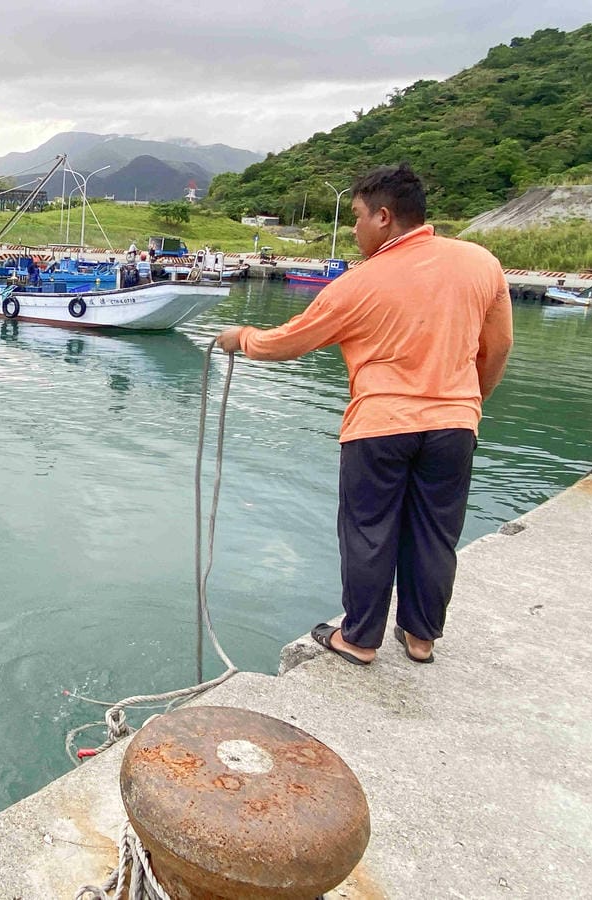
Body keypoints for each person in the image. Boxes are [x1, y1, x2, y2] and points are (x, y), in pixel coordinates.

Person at [215, 162, 513, 667]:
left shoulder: (360, 284)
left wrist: (240, 337)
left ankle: (360, 638)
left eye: (355, 216)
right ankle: (421, 639)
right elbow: (498, 347)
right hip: (455, 425)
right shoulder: (480, 263)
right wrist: (467, 403)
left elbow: (289, 342)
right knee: (436, 532)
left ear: (382, 216)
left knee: (369, 531)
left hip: (380, 427)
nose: (352, 229)